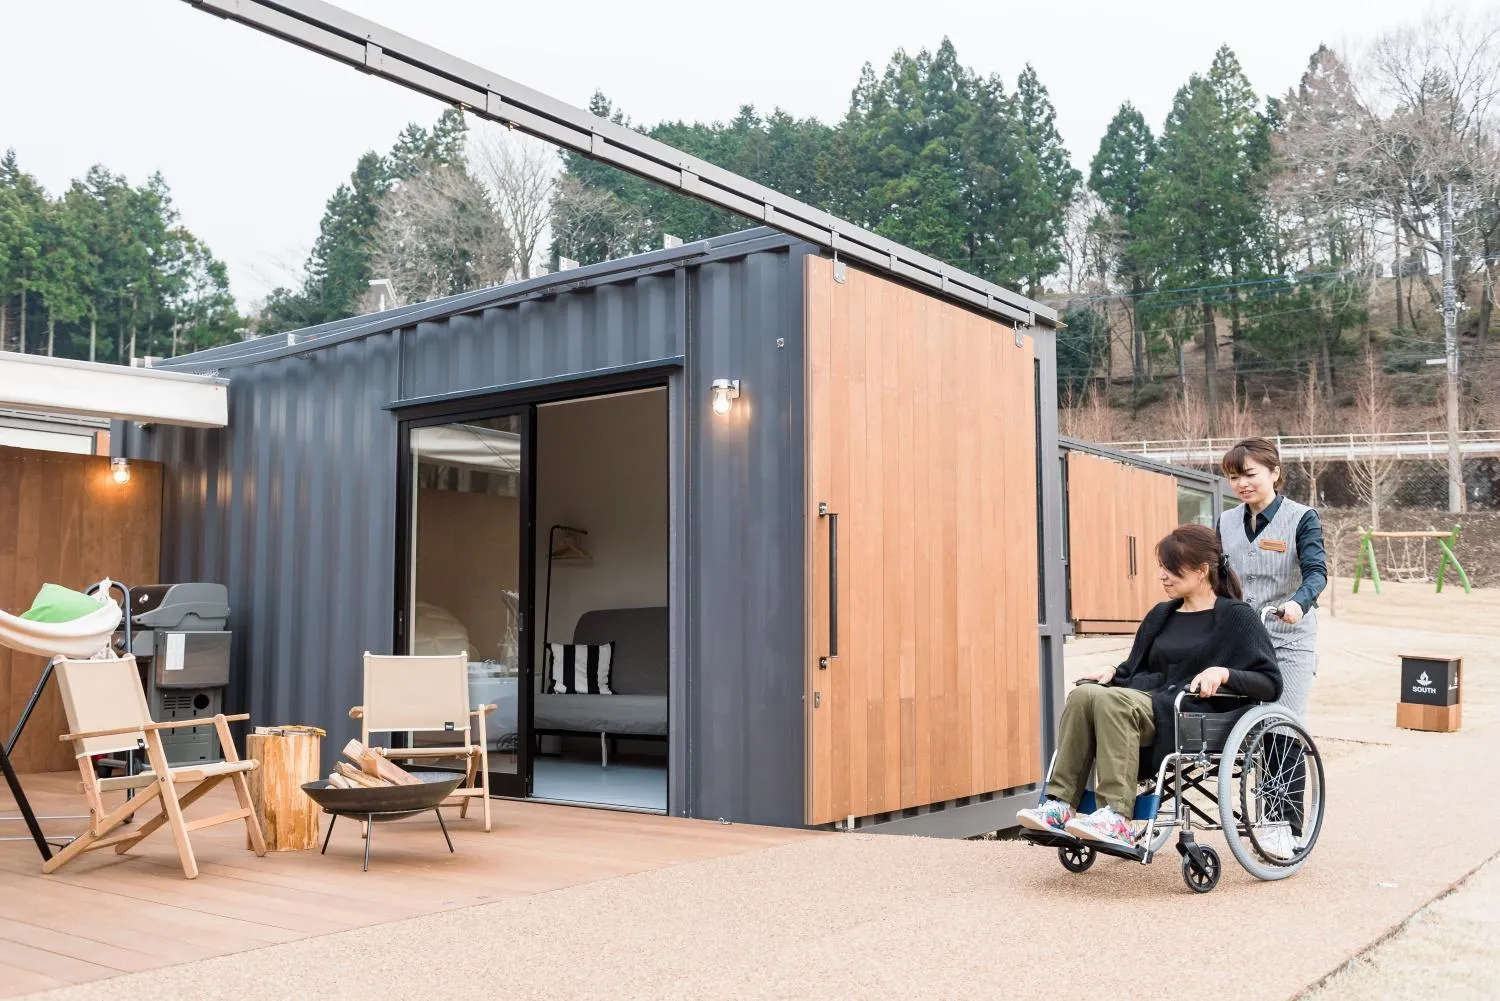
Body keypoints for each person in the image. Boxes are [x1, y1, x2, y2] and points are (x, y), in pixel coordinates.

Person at [1016, 524, 1280, 849]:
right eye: (1162, 568)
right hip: (1146, 703)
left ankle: (1117, 816)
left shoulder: (1237, 617)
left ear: (1201, 571)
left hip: (1189, 713)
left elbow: (1270, 683)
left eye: (1172, 568)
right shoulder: (1161, 614)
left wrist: (1224, 673)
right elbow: (1134, 668)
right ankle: (1060, 805)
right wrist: (1113, 671)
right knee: (1084, 694)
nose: (1162, 576)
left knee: (1114, 702)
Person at [1217, 437, 1327, 720]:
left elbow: (1316, 572)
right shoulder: (1225, 521)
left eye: (1250, 474)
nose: (1242, 484)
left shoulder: (1302, 518)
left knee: (1282, 724)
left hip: (1288, 639)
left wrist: (1298, 604)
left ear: (1274, 472)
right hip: (1240, 640)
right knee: (1236, 725)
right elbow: (1216, 576)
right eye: (1234, 477)